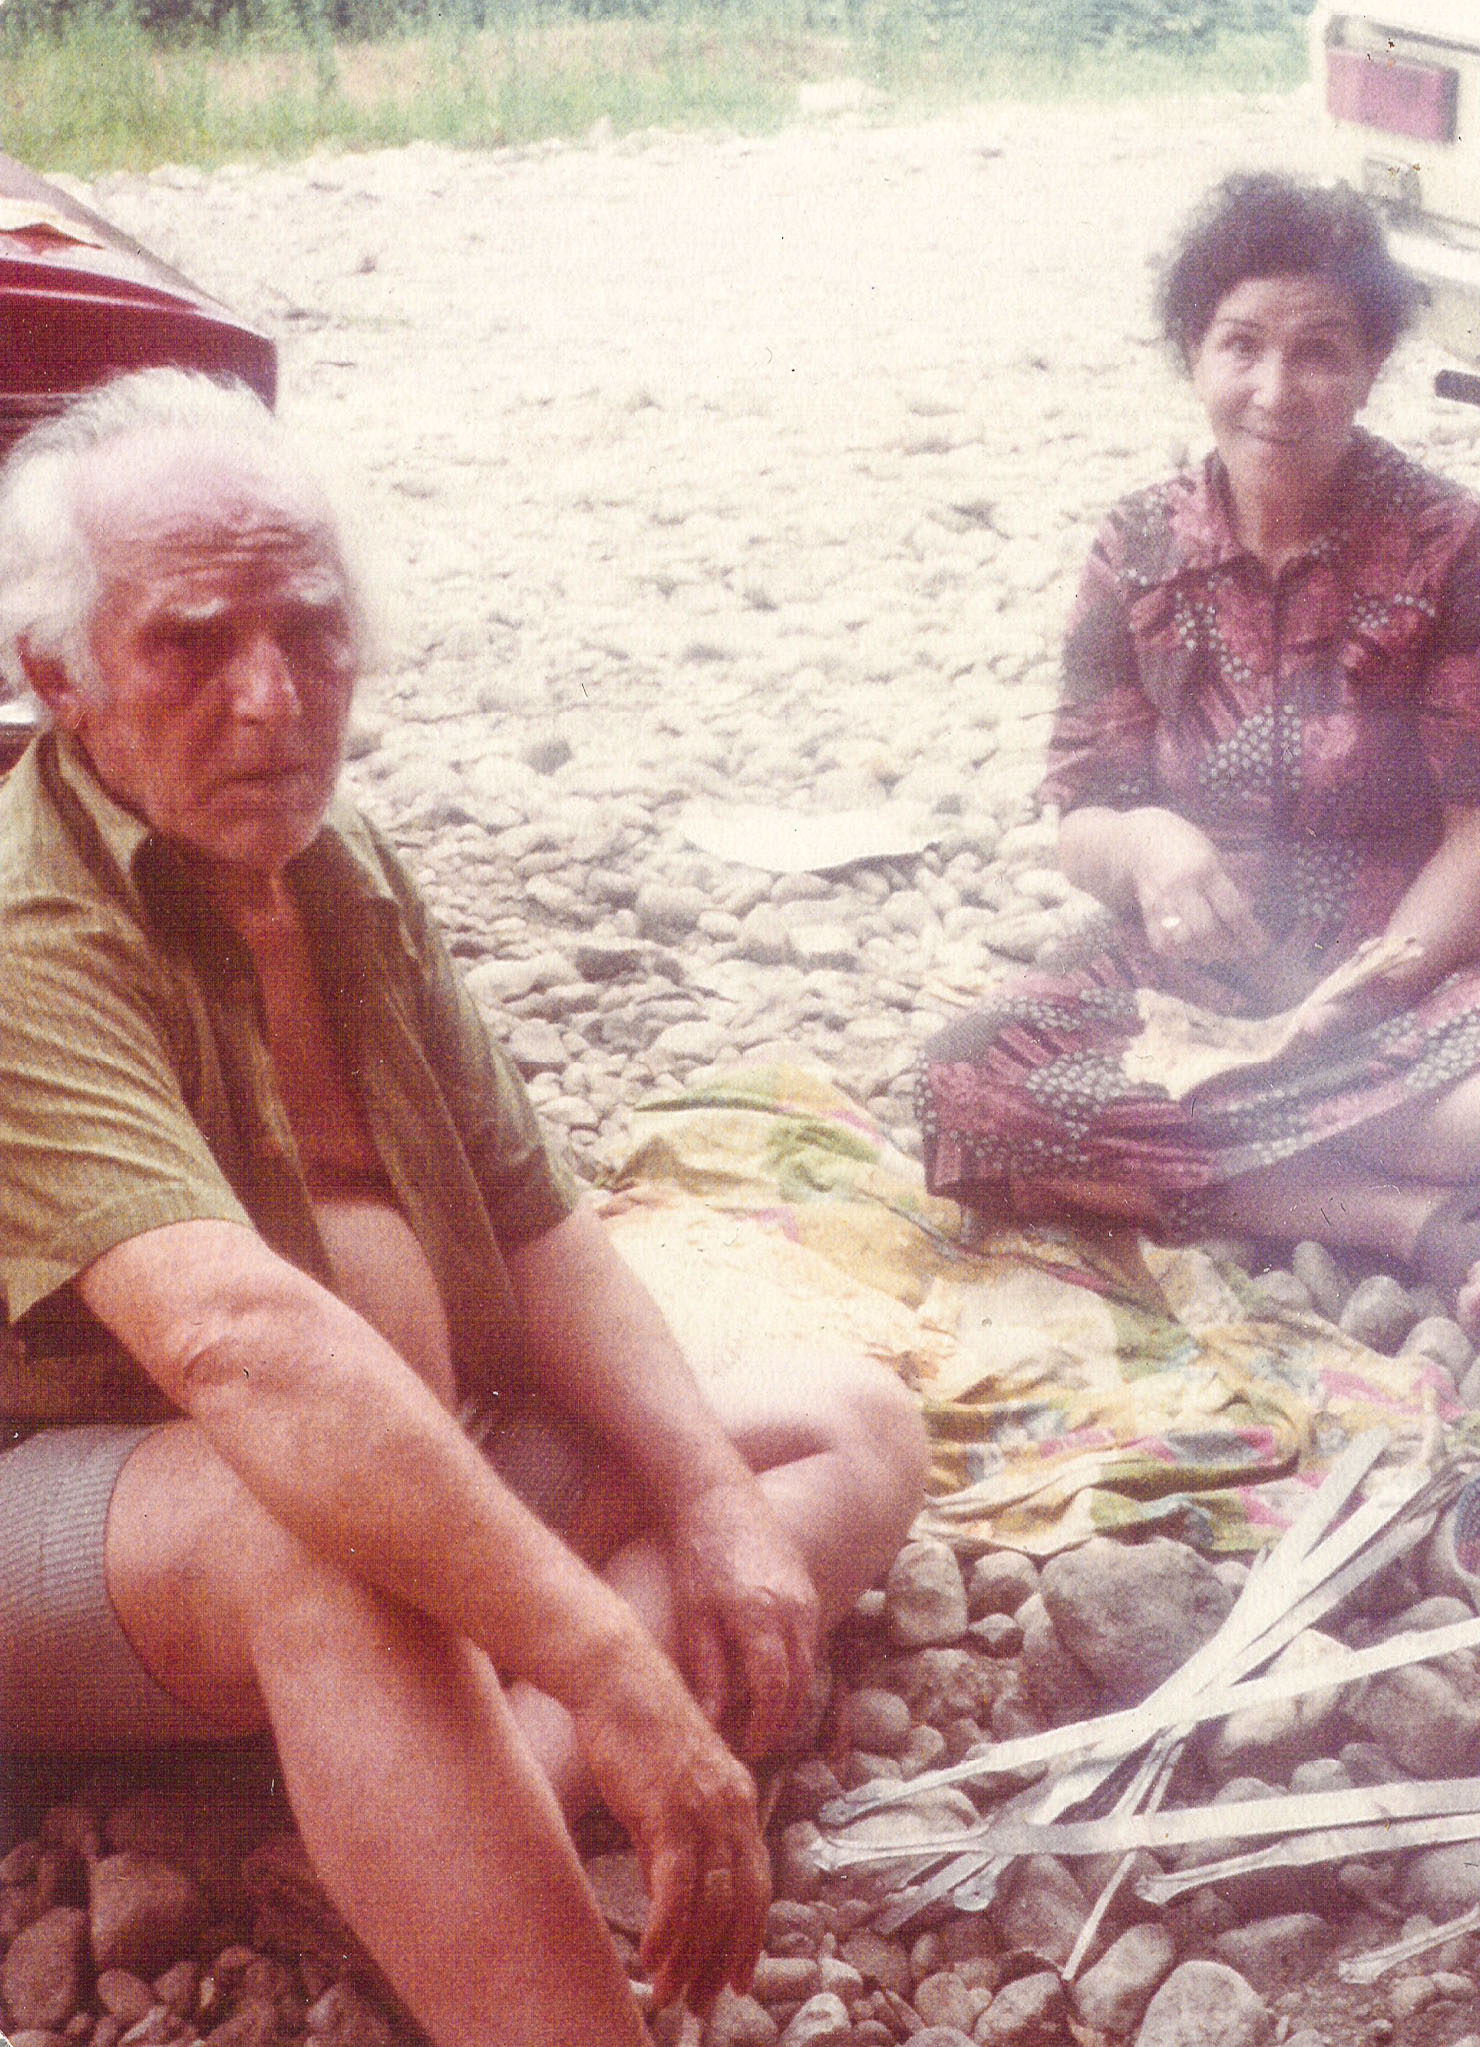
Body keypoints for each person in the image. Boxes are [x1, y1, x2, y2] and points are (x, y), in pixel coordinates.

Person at [0, 369, 928, 2047]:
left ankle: (421, 1818)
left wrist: (706, 1502)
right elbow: (246, 1347)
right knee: (317, 1527)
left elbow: (534, 1226)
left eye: (311, 630)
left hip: (381, 1448)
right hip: (67, 1526)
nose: (272, 698)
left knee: (828, 1425)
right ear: (61, 678)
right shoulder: (25, 938)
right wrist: (604, 1653)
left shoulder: (336, 860)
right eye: (194, 644)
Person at [919, 174, 1480, 1338]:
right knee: (958, 1078)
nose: (1275, 390)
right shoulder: (1136, 546)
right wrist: (1147, 843)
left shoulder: (1447, 543)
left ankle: (1222, 1142)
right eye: (1240, 346)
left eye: (1319, 350)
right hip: (1179, 985)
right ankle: (1386, 1214)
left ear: (1367, 367)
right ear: (1192, 356)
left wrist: (1366, 994)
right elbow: (1081, 813)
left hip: (1392, 981)